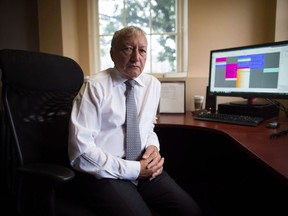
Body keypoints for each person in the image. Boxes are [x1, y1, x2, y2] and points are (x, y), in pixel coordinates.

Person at [68, 26, 202, 216]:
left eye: (142, 50)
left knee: (191, 211)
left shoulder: (152, 85)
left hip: (144, 169)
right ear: (112, 53)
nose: (136, 57)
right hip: (105, 173)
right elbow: (80, 152)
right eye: (128, 48)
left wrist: (153, 148)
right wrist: (134, 170)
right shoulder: (95, 87)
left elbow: (148, 128)